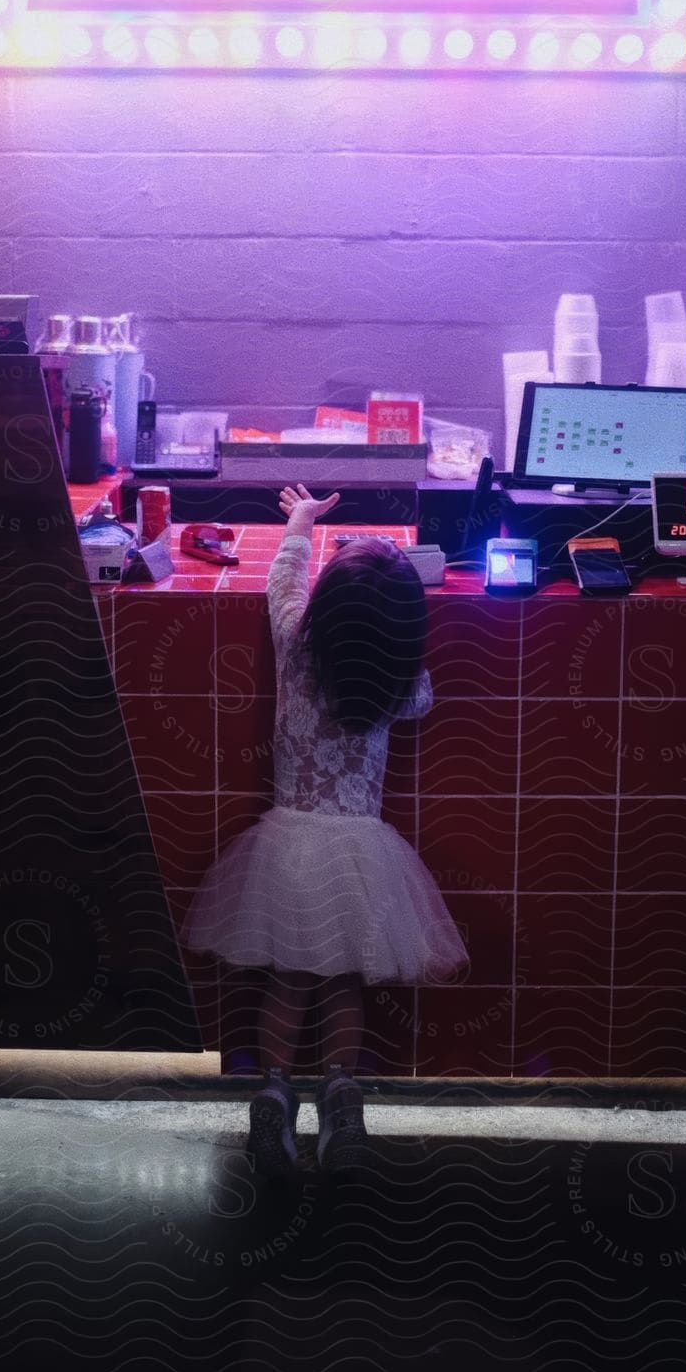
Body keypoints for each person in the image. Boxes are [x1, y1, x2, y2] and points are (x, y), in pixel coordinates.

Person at [181, 483, 468, 1177]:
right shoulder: (399, 685)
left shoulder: (294, 646)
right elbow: (422, 691)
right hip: (360, 853)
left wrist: (302, 524)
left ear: (320, 618)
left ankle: (273, 1095)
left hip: (287, 846)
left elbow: (281, 585)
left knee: (286, 984)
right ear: (402, 632)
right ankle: (342, 1097)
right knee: (342, 986)